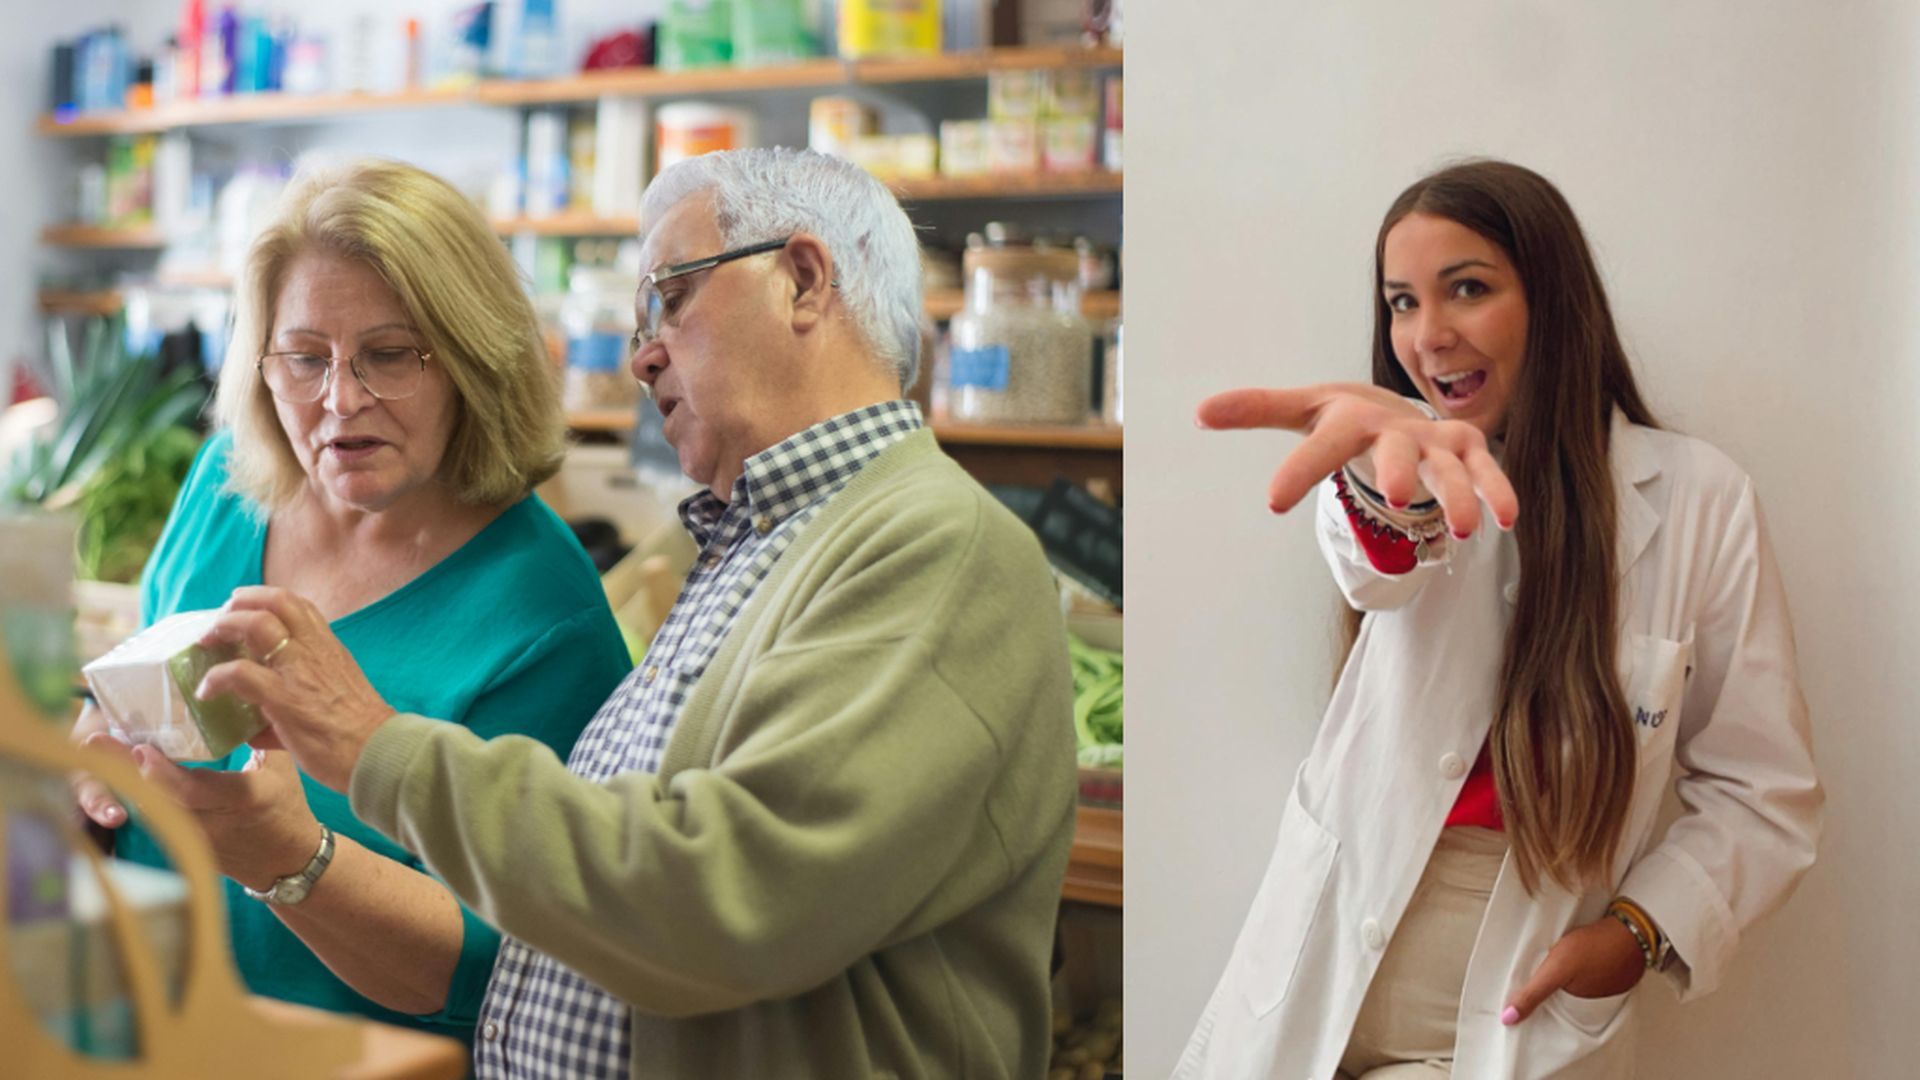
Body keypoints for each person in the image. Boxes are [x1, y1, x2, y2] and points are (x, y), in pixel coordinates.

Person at [191, 147, 1078, 1079]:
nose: (642, 353)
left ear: (803, 281)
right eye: (304, 358)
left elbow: (726, 899)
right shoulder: (770, 539)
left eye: (672, 298)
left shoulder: (934, 545)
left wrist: (373, 747)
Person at [1174, 160, 1821, 1079]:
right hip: (1321, 964)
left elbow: (1765, 790)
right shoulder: (1407, 468)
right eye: (1402, 303)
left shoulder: (1698, 500)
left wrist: (1638, 933)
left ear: (1552, 301)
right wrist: (1384, 486)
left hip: (1514, 995)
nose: (1428, 335)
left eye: (1467, 289)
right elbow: (1378, 561)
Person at [70, 159, 631, 1049]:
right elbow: (137, 694)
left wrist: (291, 863)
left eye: (390, 354)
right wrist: (97, 743)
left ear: (475, 360)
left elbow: (509, 969)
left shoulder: (545, 616)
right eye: (304, 358)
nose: (340, 399)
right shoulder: (224, 487)